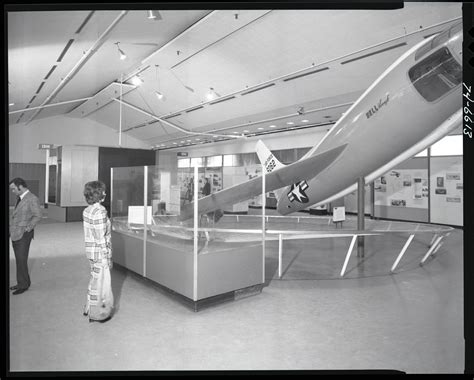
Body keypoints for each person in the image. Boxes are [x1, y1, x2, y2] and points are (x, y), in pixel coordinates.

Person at [82, 180, 114, 323]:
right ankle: (97, 314)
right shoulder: (100, 211)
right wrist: (106, 257)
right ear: (98, 194)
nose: (105, 193)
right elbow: (100, 237)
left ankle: (88, 308)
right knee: (101, 285)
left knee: (94, 281)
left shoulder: (87, 210)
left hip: (91, 252)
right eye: (103, 191)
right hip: (100, 253)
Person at [9, 178, 42, 295]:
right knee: (19, 260)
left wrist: (28, 228)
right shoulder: (20, 198)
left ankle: (23, 285)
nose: (12, 191)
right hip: (15, 233)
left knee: (21, 260)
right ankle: (21, 282)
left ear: (21, 187)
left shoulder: (32, 198)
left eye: (13, 189)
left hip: (23, 234)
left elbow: (38, 215)